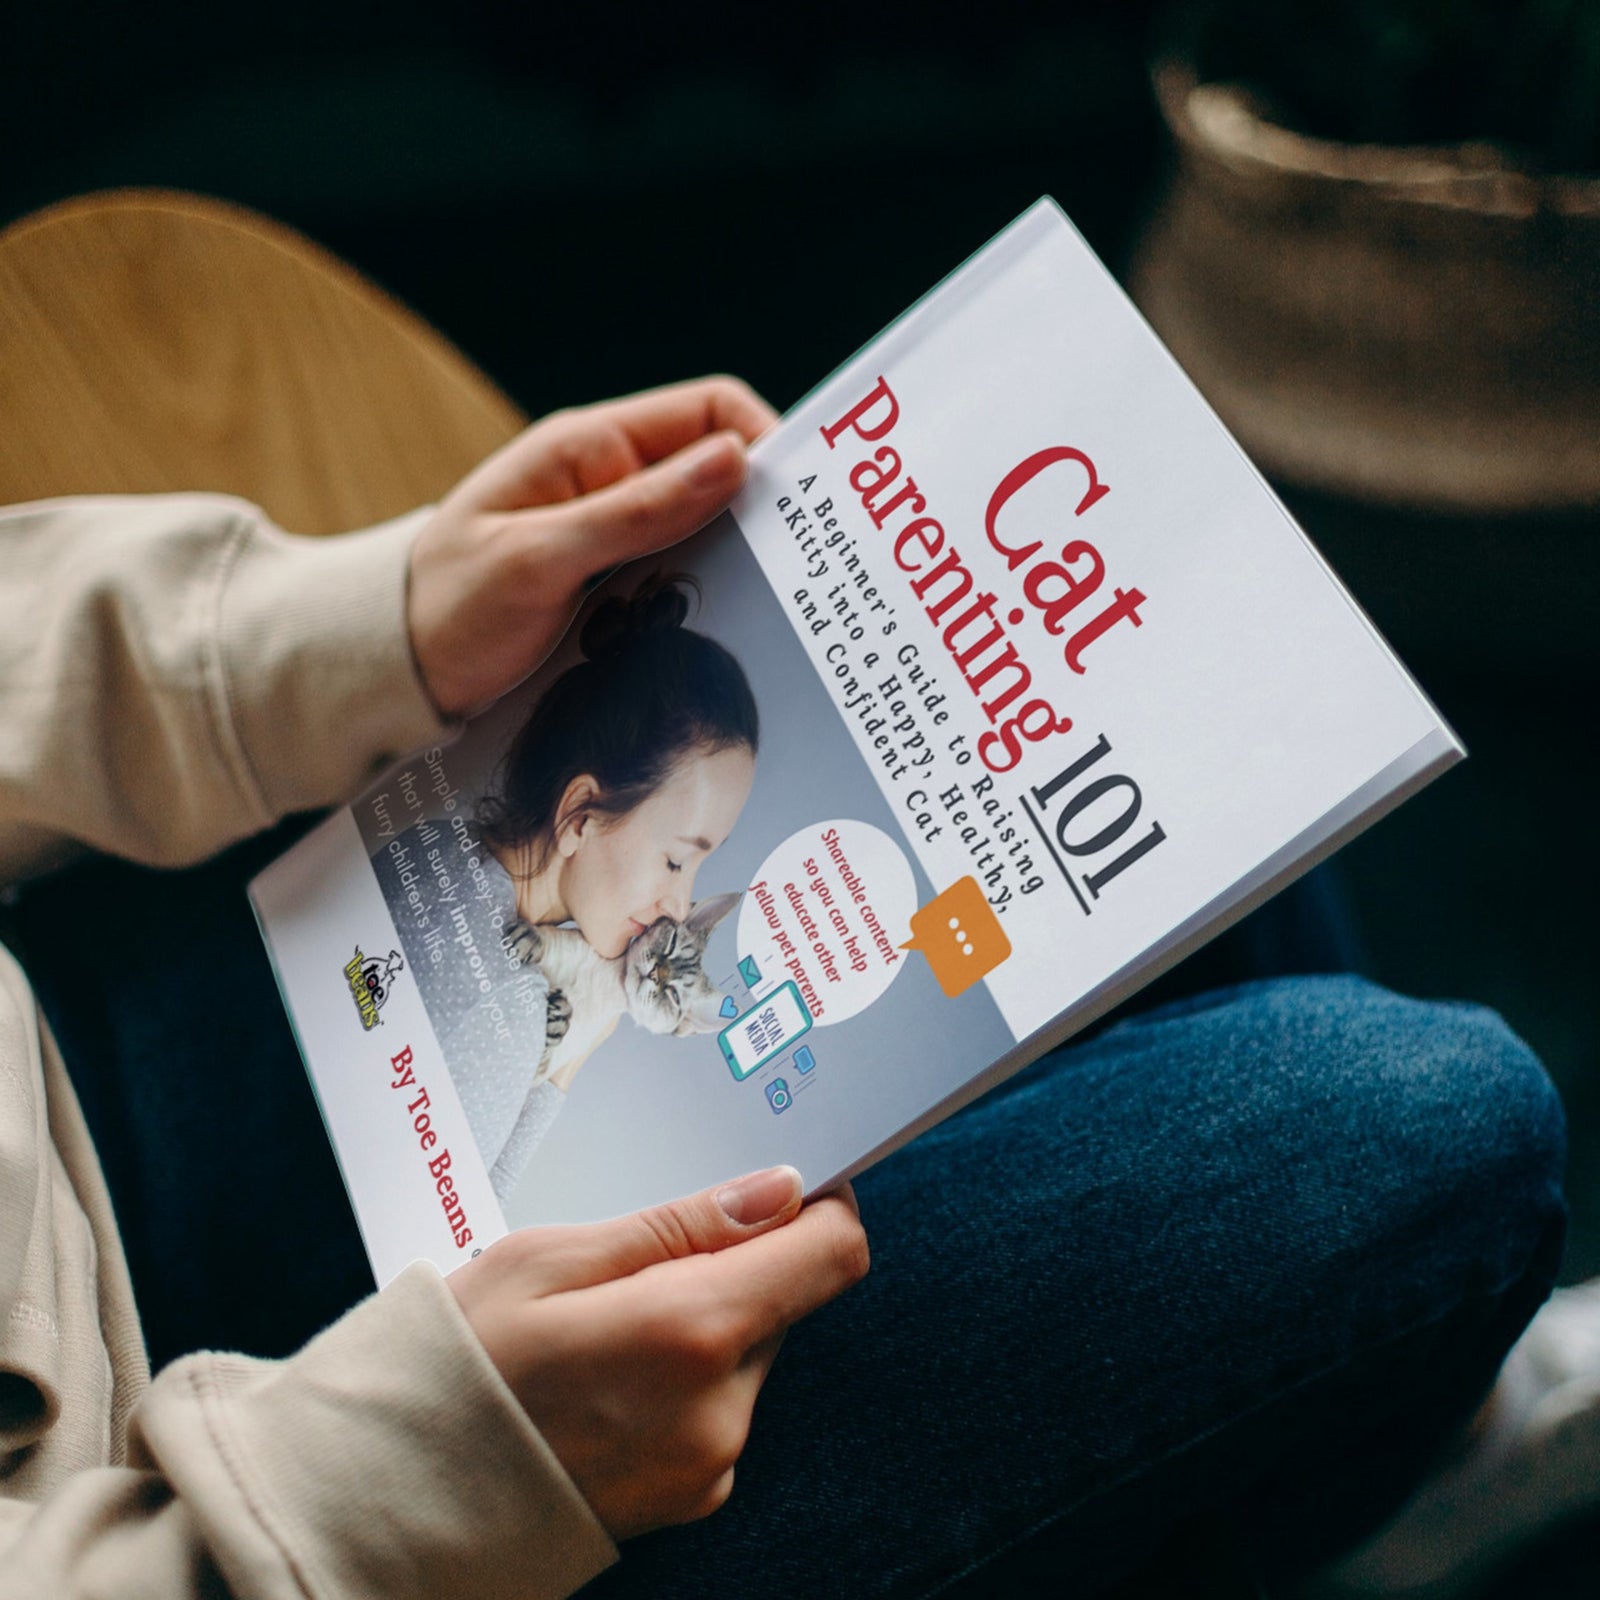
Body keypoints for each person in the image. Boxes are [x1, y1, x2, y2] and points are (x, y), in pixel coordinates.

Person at [0, 376, 1569, 1599]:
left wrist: (343, 622)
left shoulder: (579, 933)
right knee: (1440, 1127)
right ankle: (1370, 1469)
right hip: (219, 1491)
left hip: (80, 961)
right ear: (583, 816)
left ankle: (1369, 1424)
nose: (689, 894)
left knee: (1199, 746)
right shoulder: (565, 994)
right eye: (683, 854)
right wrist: (387, 1500)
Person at [370, 573, 759, 1197]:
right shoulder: (510, 1004)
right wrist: (571, 1061)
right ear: (580, 817)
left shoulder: (436, 843)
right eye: (675, 860)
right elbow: (464, 1227)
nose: (680, 905)